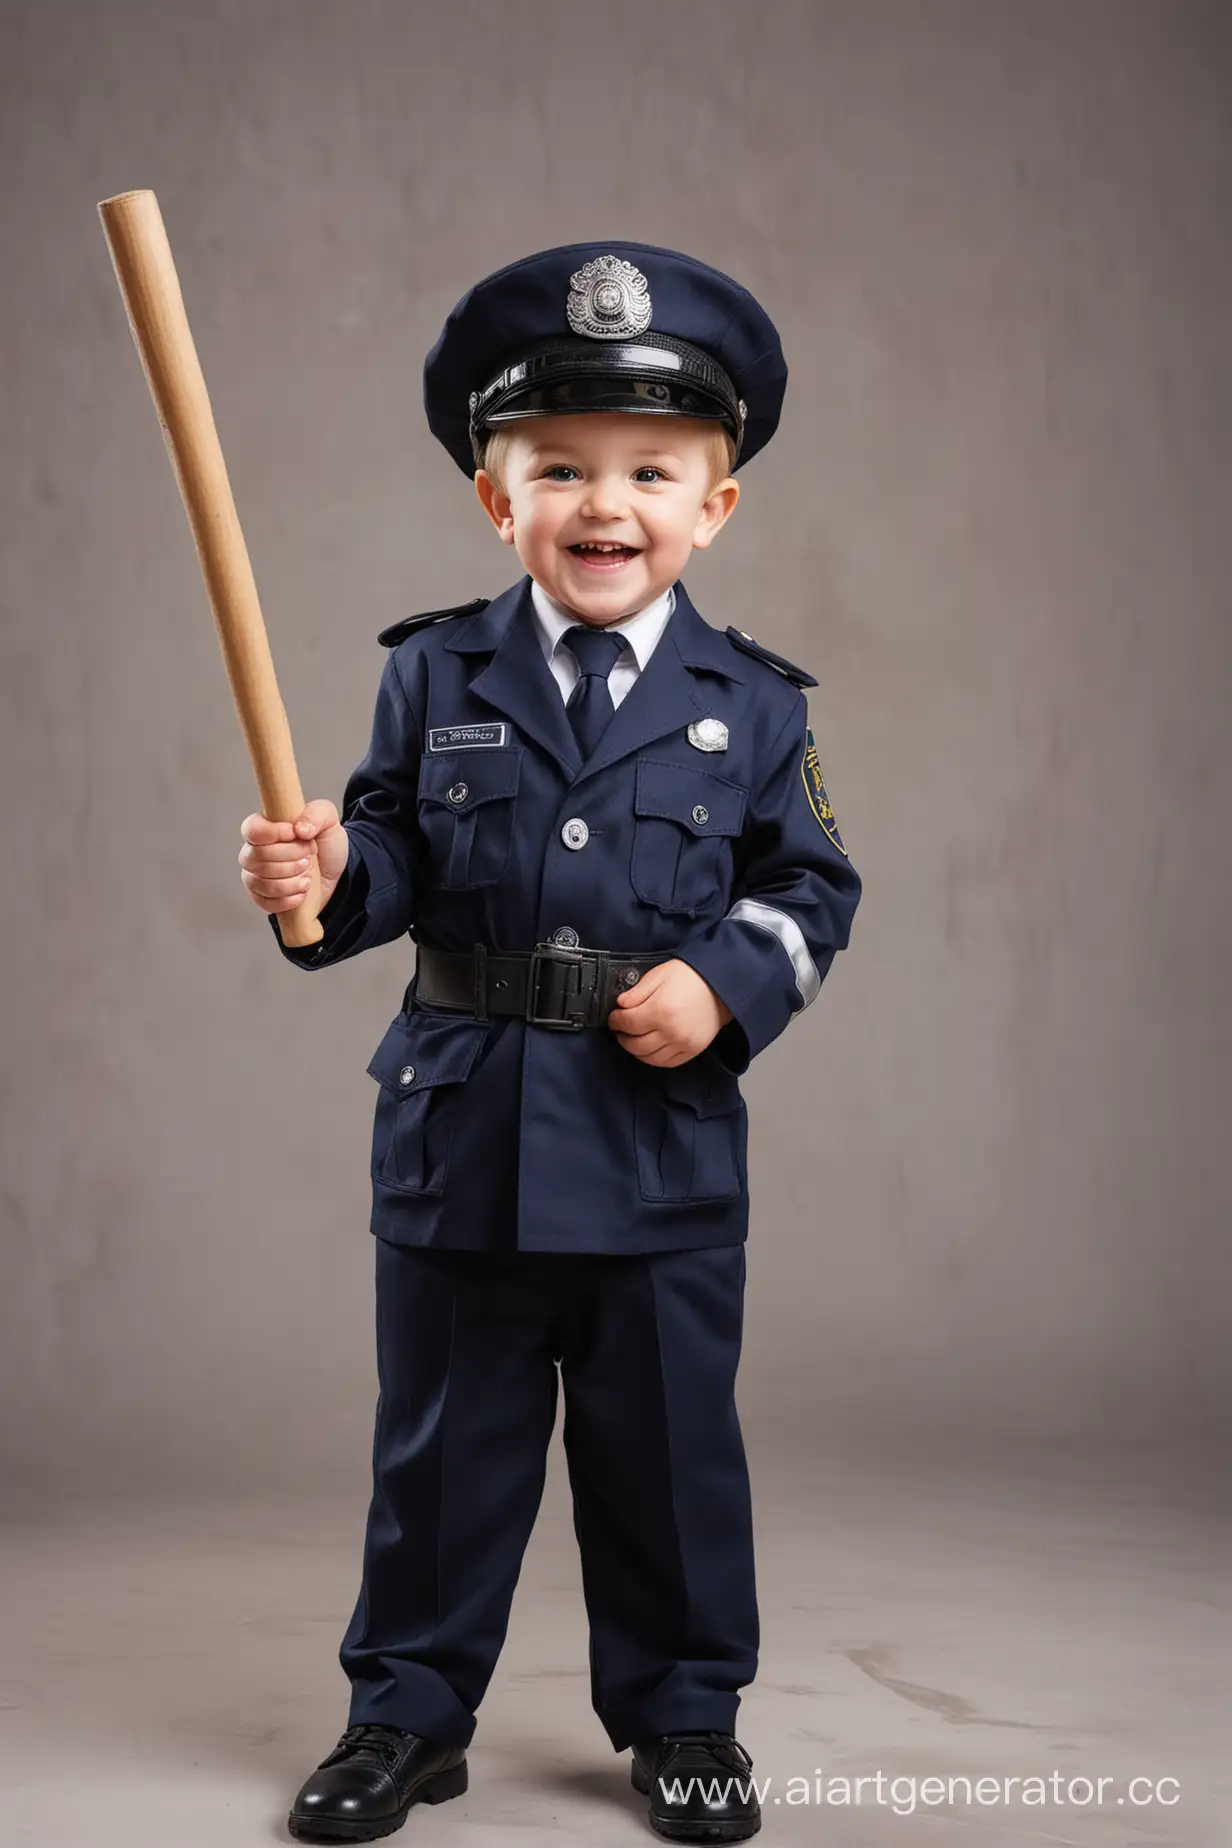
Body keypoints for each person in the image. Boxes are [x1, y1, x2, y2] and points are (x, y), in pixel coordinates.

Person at [239, 242, 862, 1843]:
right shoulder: (431, 672)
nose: (607, 505)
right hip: (469, 1135)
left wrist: (726, 983)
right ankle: (405, 1718)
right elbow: (381, 866)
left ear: (714, 507)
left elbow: (812, 886)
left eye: (653, 471)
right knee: (444, 1460)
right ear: (492, 499)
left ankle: (684, 1721)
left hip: (658, 1152)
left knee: (665, 1462)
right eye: (560, 469)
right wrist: (323, 882)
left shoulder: (756, 706)